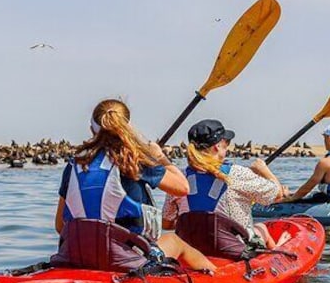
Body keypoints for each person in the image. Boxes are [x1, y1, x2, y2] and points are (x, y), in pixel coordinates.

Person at [53, 98, 216, 273]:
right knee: (175, 241)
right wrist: (160, 157)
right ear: (127, 128)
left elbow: (60, 226)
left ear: (92, 128)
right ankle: (217, 280)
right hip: (127, 258)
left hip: (75, 254)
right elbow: (183, 187)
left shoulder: (74, 165)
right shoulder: (133, 160)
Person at [162, 119, 287, 255]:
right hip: (234, 250)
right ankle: (277, 254)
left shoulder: (179, 178)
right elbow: (278, 195)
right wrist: (263, 170)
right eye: (226, 143)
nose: (228, 146)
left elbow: (166, 224)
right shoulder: (237, 173)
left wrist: (199, 226)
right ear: (217, 146)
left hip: (192, 250)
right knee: (261, 227)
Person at [284, 123, 330, 203]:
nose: (324, 142)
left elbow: (308, 187)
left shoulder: (326, 162)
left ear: (329, 138)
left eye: (324, 138)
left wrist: (290, 199)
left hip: (326, 202)